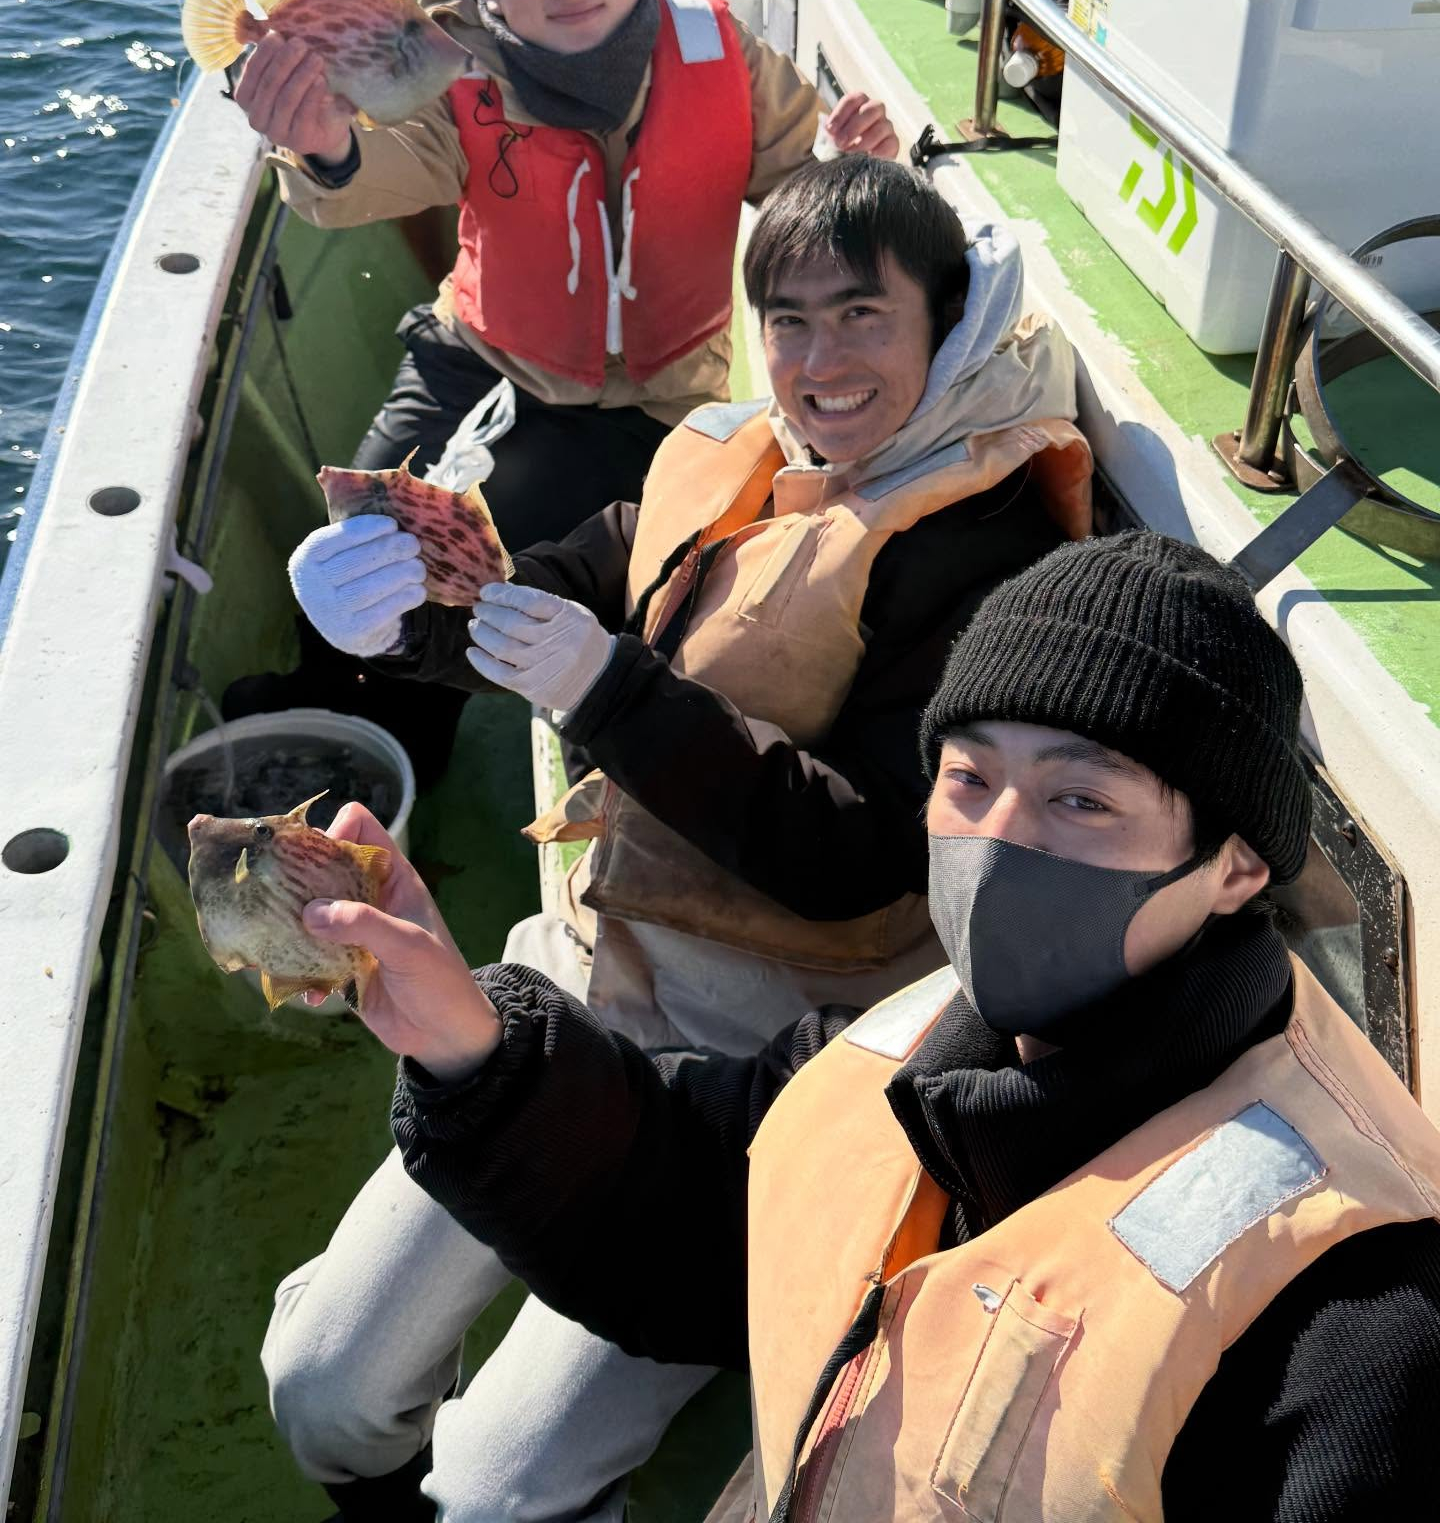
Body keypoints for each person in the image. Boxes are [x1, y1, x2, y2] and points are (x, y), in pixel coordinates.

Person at [261, 154, 1093, 1519]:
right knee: (320, 1385)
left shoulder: (992, 557)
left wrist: (611, 689)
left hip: (772, 1055)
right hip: (587, 961)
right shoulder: (736, 457)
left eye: (863, 316)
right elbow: (560, 589)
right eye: (789, 321)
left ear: (946, 324)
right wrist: (403, 615)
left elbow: (864, 852)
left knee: (499, 1488)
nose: (819, 362)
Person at [311, 531, 1440, 1523]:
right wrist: (470, 1044)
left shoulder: (1363, 1309)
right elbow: (694, 1215)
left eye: (1081, 800)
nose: (999, 843)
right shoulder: (918, 1034)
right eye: (969, 779)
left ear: (1237, 865)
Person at [238, 0, 897, 551]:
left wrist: (846, 169)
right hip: (479, 362)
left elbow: (796, 187)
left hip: (663, 398)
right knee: (360, 559)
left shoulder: (719, 49)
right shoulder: (452, 64)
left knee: (651, 581)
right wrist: (326, 146)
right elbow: (394, 161)